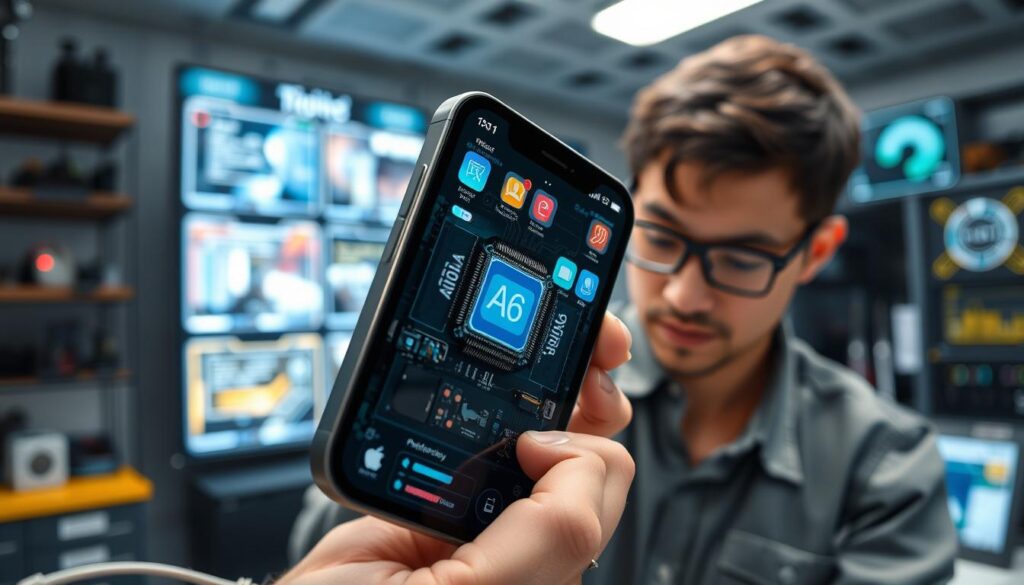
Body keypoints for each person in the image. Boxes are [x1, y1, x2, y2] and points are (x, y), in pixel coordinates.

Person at [293, 34, 958, 584]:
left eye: (743, 258)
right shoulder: (556, 398)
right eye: (664, 237)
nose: (683, 295)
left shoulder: (886, 468)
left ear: (815, 252)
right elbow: (326, 542)